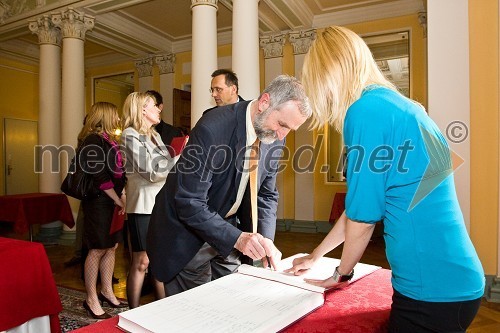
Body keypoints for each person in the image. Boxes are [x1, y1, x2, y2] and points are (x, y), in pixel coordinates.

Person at [286, 26, 485, 333]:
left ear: (330, 75)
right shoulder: (395, 105)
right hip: (449, 278)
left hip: (431, 287)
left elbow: (364, 221)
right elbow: (357, 209)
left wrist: (341, 273)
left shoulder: (365, 111)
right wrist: (316, 255)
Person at [147, 74, 312, 296]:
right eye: (282, 124)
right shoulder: (212, 128)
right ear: (264, 102)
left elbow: (266, 194)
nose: (283, 135)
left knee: (232, 301)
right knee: (196, 313)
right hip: (188, 236)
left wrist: (265, 241)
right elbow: (189, 201)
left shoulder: (275, 136)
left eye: (290, 129)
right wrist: (238, 238)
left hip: (229, 231)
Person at [121, 92, 179, 308]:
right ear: (142, 109)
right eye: (154, 106)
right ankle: (133, 312)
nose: (158, 109)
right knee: (141, 261)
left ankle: (161, 308)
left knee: (158, 259)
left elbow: (165, 168)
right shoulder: (130, 134)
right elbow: (152, 172)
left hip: (161, 203)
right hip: (143, 205)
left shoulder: (154, 134)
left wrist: (179, 157)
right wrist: (178, 158)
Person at [78, 102, 127, 319]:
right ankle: (91, 298)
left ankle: (107, 290)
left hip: (112, 201)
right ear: (105, 116)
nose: (117, 118)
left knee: (111, 247)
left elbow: (119, 173)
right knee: (97, 248)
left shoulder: (109, 140)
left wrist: (122, 195)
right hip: (98, 202)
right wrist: (118, 198)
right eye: (114, 114)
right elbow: (99, 176)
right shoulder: (91, 140)